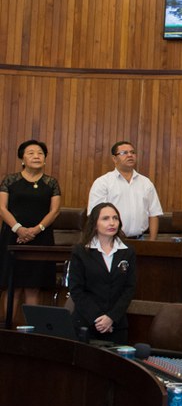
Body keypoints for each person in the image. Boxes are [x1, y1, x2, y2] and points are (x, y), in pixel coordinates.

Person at [0, 140, 61, 321]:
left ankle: (31, 331)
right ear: (22, 159)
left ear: (45, 159)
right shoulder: (10, 180)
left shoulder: (51, 183)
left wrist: (35, 230)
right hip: (12, 237)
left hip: (41, 239)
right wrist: (18, 229)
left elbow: (54, 211)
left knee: (33, 287)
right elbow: (2, 208)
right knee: (12, 286)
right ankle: (7, 330)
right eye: (31, 153)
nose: (36, 156)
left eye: (40, 153)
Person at [68, 202, 136, 344]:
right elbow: (76, 289)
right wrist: (98, 318)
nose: (112, 223)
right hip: (86, 323)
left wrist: (111, 318)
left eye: (115, 218)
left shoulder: (127, 252)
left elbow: (129, 289)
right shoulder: (80, 251)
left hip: (116, 325)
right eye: (105, 218)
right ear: (94, 224)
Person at [88, 141, 163, 240]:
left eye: (132, 152)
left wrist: (152, 241)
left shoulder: (146, 183)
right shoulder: (103, 182)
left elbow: (154, 213)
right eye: (124, 153)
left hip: (140, 240)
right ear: (114, 158)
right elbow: (95, 215)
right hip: (110, 240)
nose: (130, 155)